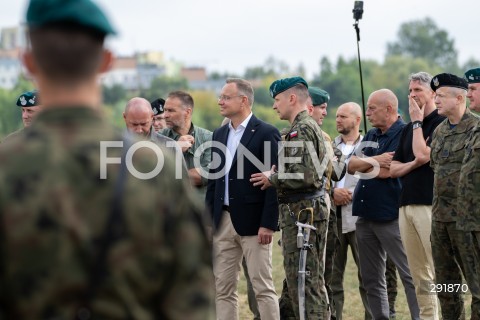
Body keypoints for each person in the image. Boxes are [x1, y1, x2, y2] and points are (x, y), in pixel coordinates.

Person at [0, 0, 215, 318]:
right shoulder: (157, 169)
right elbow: (192, 304)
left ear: (28, 62)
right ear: (106, 61)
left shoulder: (6, 166)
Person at [251, 76, 331, 319]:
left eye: (277, 100)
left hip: (305, 215)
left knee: (307, 285)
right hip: (300, 215)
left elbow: (305, 174)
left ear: (292, 98)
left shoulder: (303, 129)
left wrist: (272, 179)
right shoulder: (300, 129)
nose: (275, 106)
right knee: (296, 283)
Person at [206, 78, 280, 320]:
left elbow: (275, 183)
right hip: (222, 222)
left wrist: (268, 222)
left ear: (244, 100)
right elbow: (214, 181)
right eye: (221, 97)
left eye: (226, 97)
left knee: (262, 288)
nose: (220, 101)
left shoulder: (267, 132)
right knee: (223, 289)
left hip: (254, 224)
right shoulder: (218, 134)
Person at [348, 89, 420, 319]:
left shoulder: (406, 133)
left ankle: (421, 316)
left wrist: (367, 167)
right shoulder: (371, 134)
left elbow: (392, 172)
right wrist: (376, 161)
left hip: (391, 215)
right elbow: (351, 167)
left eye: (372, 108)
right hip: (365, 215)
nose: (367, 113)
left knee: (408, 274)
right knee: (371, 278)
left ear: (389, 109)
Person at [389, 72, 444, 319]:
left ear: (433, 92)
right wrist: (412, 164)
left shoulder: (440, 122)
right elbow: (393, 169)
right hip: (406, 204)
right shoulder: (409, 127)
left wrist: (418, 123)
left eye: (418, 91)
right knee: (418, 271)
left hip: (429, 204)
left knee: (439, 268)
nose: (412, 96)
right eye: (410, 91)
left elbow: (423, 154)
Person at [429, 72, 480, 319]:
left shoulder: (475, 128)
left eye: (440, 96)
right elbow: (435, 169)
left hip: (466, 222)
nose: (435, 100)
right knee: (446, 284)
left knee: (476, 283)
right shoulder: (438, 132)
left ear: (459, 98)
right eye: (435, 96)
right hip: (440, 220)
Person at [330, 102, 372, 320]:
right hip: (333, 218)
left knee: (368, 276)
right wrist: (332, 192)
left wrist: (351, 195)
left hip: (359, 219)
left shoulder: (370, 145)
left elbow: (376, 176)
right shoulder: (329, 145)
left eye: (343, 116)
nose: (338, 120)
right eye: (337, 116)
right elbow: (320, 178)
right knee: (332, 278)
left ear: (357, 120)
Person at [307, 86, 345, 318]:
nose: (325, 113)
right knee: (321, 272)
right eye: (321, 107)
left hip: (312, 212)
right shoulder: (322, 137)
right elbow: (337, 172)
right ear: (309, 107)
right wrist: (337, 156)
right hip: (319, 210)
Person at [160, 91, 212, 195]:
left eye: (171, 111)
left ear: (187, 112)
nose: (165, 115)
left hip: (200, 208)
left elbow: (207, 175)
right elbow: (149, 173)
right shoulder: (158, 138)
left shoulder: (208, 138)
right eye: (165, 110)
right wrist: (175, 148)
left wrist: (167, 176)